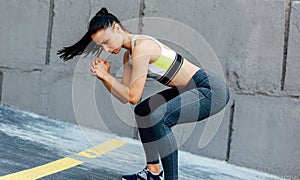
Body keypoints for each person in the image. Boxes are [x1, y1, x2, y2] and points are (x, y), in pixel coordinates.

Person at [58, 7, 230, 180]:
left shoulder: (142, 47)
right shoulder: (130, 55)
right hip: (190, 89)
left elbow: (132, 95)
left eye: (106, 41)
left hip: (210, 90)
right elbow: (127, 97)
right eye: (101, 46)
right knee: (143, 110)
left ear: (117, 28)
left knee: (159, 117)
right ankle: (153, 172)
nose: (106, 49)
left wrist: (106, 75)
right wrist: (104, 77)